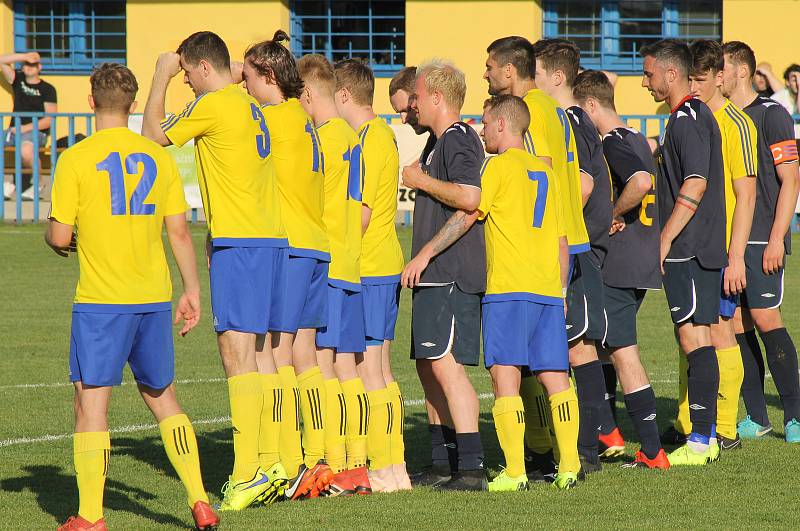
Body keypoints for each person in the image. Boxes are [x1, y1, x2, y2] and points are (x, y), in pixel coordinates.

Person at [47, 63, 218, 531]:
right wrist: (192, 290)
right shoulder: (156, 158)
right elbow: (180, 232)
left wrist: (59, 238)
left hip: (102, 301)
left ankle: (91, 515)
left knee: (91, 404)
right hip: (153, 297)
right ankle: (201, 501)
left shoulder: (76, 159)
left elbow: (61, 236)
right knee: (163, 398)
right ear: (133, 105)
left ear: (89, 102)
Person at [141, 31, 289, 510]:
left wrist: (160, 74)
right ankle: (269, 463)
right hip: (267, 238)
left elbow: (150, 138)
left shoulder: (217, 102)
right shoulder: (249, 105)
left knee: (236, 354)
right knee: (260, 354)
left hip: (244, 244)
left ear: (204, 67)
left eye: (186, 73)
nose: (185, 80)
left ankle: (248, 471)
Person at [483, 35, 585, 483]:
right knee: (555, 377)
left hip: (508, 285)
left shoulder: (499, 167)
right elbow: (563, 241)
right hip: (548, 287)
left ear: (504, 126)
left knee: (505, 376)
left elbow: (473, 211)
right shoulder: (546, 172)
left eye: (486, 125)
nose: (483, 131)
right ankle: (571, 464)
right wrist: (561, 291)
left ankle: (516, 471)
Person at [238, 30, 334, 500]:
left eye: (248, 77)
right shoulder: (302, 116)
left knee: (272, 354)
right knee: (305, 356)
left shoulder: (273, 118)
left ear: (269, 76)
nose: (244, 87)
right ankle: (316, 459)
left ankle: (281, 461)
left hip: (292, 246)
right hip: (316, 245)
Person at [573, 70, 670, 469]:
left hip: (621, 259)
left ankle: (650, 449)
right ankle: (606, 431)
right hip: (640, 257)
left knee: (619, 350)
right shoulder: (634, 136)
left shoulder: (613, 141)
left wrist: (611, 214)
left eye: (579, 110)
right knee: (600, 344)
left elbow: (642, 181)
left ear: (591, 106)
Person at [400, 61, 487, 491]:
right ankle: (442, 462)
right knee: (427, 366)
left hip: (450, 271)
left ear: (436, 97)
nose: (412, 104)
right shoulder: (439, 142)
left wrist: (425, 253)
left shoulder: (458, 138)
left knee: (447, 367)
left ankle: (471, 468)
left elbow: (470, 201)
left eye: (416, 95)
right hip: (433, 274)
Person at [667, 40, 757, 453]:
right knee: (692, 332)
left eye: (701, 81)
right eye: (693, 80)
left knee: (721, 330)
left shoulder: (735, 125)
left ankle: (724, 427)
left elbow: (747, 194)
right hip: (697, 244)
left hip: (719, 248)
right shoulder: (694, 117)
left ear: (719, 79)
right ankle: (690, 420)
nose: (696, 87)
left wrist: (736, 255)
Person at [640, 39, 727, 466]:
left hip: (690, 247)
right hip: (696, 246)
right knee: (695, 335)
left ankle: (701, 440)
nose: (645, 82)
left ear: (672, 74)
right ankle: (705, 438)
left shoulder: (689, 118)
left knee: (694, 336)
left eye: (649, 74)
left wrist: (665, 238)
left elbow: (695, 183)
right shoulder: (685, 118)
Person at [532, 38, 615, 473]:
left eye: (537, 73)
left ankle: (587, 447)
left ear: (557, 76)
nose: (532, 81)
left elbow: (583, 185)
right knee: (568, 348)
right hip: (572, 246)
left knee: (579, 349)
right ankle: (575, 444)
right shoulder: (562, 118)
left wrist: (554, 231)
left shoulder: (572, 120)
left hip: (575, 248)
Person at [296, 52, 372, 496]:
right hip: (350, 260)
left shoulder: (322, 139)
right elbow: (360, 211)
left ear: (307, 94)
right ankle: (353, 464)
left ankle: (324, 462)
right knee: (346, 367)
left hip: (324, 261)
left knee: (319, 365)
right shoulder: (351, 136)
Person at [333, 59, 408, 491]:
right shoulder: (382, 134)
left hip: (368, 266)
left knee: (367, 372)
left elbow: (359, 213)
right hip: (384, 263)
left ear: (343, 97)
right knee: (380, 370)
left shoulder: (365, 141)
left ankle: (380, 466)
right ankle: (394, 468)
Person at [722, 41, 800, 443]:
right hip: (731, 238)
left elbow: (791, 179)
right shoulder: (722, 117)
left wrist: (775, 239)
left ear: (741, 70)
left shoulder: (771, 114)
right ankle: (757, 416)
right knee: (737, 323)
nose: (716, 75)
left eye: (721, 68)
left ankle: (794, 416)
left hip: (763, 238)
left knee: (768, 319)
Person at [0, 51, 57, 199]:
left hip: (36, 132)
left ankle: (38, 185)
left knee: (26, 150)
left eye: (34, 64)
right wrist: (24, 57)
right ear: (22, 67)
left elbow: (49, 119)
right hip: (13, 131)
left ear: (40, 68)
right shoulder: (17, 80)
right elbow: (1, 60)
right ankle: (5, 185)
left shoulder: (47, 89)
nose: (30, 66)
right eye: (27, 64)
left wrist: (24, 128)